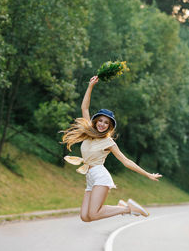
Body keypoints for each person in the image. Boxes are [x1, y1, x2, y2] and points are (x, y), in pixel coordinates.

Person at [62, 76, 162, 222]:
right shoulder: (89, 132)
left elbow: (126, 161)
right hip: (90, 177)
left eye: (106, 123)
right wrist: (90, 86)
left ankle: (128, 209)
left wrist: (148, 174)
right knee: (85, 217)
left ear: (110, 127)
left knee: (94, 214)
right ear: (96, 122)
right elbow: (84, 108)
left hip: (100, 176)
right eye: (100, 121)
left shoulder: (108, 142)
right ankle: (122, 206)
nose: (102, 124)